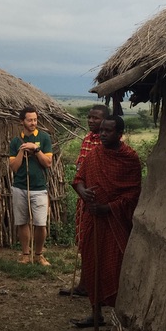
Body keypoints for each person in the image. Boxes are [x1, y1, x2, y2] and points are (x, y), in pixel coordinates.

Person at [70, 115, 143, 329]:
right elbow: (78, 180)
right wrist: (85, 194)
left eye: (108, 131)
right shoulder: (94, 155)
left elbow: (133, 193)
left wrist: (108, 207)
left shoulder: (129, 158)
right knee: (92, 263)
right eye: (101, 130)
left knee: (115, 267)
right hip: (93, 219)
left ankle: (121, 314)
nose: (102, 133)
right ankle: (95, 313)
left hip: (115, 222)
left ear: (119, 134)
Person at [60, 104, 108, 298]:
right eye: (89, 117)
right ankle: (84, 284)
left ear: (105, 120)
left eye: (96, 118)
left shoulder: (107, 142)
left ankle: (97, 287)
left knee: (97, 243)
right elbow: (80, 167)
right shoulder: (87, 139)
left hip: (99, 200)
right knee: (84, 241)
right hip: (84, 197)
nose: (91, 120)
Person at [8, 106, 53, 266]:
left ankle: (39, 254)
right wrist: (22, 150)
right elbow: (14, 167)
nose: (33, 123)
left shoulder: (44, 137)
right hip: (20, 186)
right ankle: (26, 254)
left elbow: (48, 163)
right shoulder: (15, 141)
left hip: (39, 187)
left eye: (35, 119)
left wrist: (36, 149)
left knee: (40, 223)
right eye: (30, 120)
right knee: (22, 222)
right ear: (22, 121)